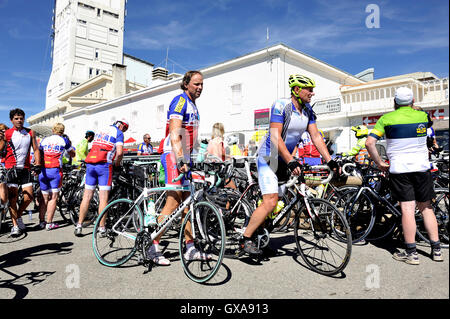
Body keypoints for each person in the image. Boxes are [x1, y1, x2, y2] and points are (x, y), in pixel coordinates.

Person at [240, 74, 338, 255]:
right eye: (309, 89)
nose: (312, 93)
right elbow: (276, 136)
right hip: (269, 158)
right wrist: (291, 160)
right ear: (296, 90)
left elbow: (316, 136)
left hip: (286, 160)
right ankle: (245, 238)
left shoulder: (308, 111)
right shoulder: (281, 105)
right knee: (270, 201)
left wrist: (330, 160)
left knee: (281, 202)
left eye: (312, 89)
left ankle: (261, 233)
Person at [365, 86, 443, 265]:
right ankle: (437, 250)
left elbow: (370, 143)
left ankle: (411, 254)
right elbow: (429, 129)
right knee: (426, 208)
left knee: (407, 210)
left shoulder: (386, 119)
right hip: (422, 167)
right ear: (413, 101)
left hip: (399, 169)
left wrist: (379, 163)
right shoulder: (423, 117)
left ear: (394, 102)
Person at [152, 70, 209, 266]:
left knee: (189, 203)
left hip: (187, 156)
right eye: (196, 84)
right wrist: (181, 158)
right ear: (186, 84)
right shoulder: (180, 101)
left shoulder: (194, 105)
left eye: (202, 84)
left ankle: (190, 247)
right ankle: (153, 245)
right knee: (174, 202)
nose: (200, 87)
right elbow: (175, 133)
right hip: (173, 154)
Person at [74, 119, 128, 236]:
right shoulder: (118, 133)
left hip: (90, 164)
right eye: (125, 128)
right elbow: (119, 153)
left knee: (87, 196)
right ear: (121, 125)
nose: (124, 130)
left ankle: (79, 225)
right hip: (104, 165)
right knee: (103, 198)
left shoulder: (101, 130)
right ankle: (101, 228)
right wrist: (117, 165)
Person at [0, 108, 41, 236]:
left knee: (29, 197)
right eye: (16, 118)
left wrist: (38, 164)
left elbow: (36, 149)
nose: (19, 120)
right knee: (12, 198)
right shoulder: (7, 133)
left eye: (21, 118)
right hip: (10, 168)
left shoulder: (30, 132)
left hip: (25, 168)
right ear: (11, 120)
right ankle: (15, 225)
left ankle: (17, 216)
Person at [38, 123, 75, 230]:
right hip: (55, 171)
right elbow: (72, 154)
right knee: (53, 198)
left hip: (43, 170)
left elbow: (39, 153)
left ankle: (41, 222)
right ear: (62, 131)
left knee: (44, 198)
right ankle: (49, 223)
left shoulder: (45, 140)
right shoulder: (64, 140)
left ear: (53, 130)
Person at [0, 123, 9, 208]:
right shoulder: (3, 140)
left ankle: (3, 205)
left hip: (5, 164)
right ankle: (3, 205)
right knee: (2, 185)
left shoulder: (6, 140)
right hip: (2, 164)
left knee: (3, 185)